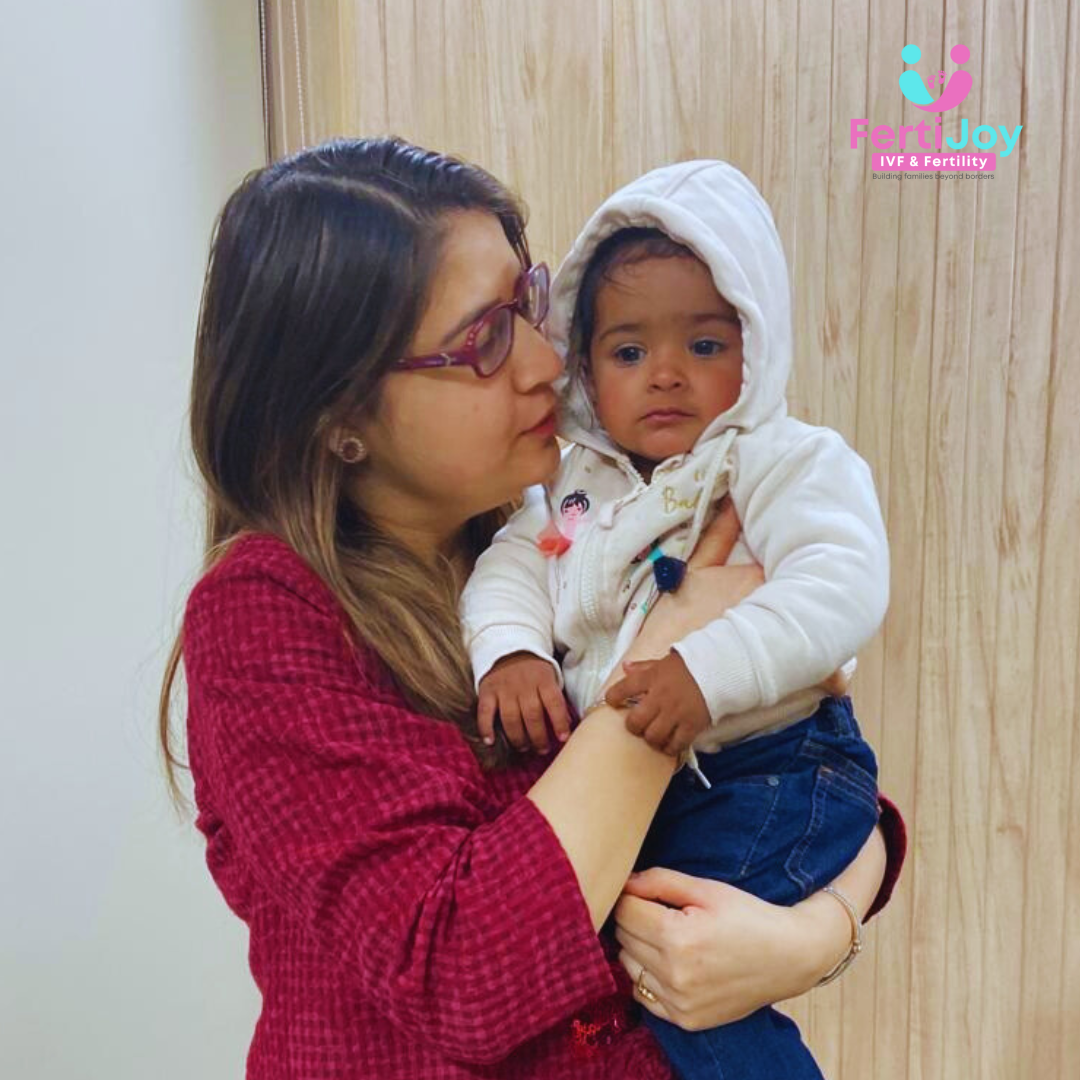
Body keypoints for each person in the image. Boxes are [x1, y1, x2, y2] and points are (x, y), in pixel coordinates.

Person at [159, 136, 905, 1080]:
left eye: (529, 305)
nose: (549, 361)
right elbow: (465, 976)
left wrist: (813, 936)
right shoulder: (264, 615)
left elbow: (808, 784)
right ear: (339, 417)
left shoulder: (551, 528)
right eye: (484, 338)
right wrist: (672, 649)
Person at [461, 159, 888, 1078]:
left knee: (677, 966)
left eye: (703, 344)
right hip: (672, 780)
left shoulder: (775, 461)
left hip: (772, 765)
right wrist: (512, 653)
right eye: (628, 353)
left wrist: (705, 669)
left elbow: (842, 582)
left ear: (757, 347)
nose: (664, 375)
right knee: (642, 959)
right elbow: (512, 567)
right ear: (584, 365)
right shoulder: (574, 488)